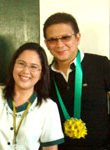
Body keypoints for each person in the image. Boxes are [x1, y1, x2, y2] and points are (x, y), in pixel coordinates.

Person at [0, 42, 64, 150]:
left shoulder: (48, 107)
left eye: (34, 67)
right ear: (13, 65)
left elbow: (50, 148)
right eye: (21, 64)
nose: (25, 71)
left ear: (41, 74)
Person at [43, 12, 110, 150]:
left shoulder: (100, 64)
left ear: (77, 38)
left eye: (66, 37)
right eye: (52, 40)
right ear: (46, 44)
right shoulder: (43, 76)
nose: (59, 45)